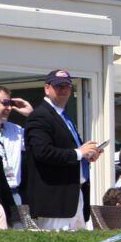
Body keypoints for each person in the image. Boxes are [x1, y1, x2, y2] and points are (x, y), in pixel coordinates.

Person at [24, 69, 103, 230]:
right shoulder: (40, 116)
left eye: (66, 86)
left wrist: (86, 156)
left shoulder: (63, 116)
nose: (63, 90)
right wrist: (79, 153)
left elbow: (68, 153)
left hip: (74, 196)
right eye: (58, 86)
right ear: (47, 88)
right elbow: (42, 152)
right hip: (55, 200)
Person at [0, 86, 32, 214]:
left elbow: (38, 143)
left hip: (14, 195)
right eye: (5, 103)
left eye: (11, 103)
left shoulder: (16, 130)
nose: (9, 108)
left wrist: (32, 115)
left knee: (18, 232)